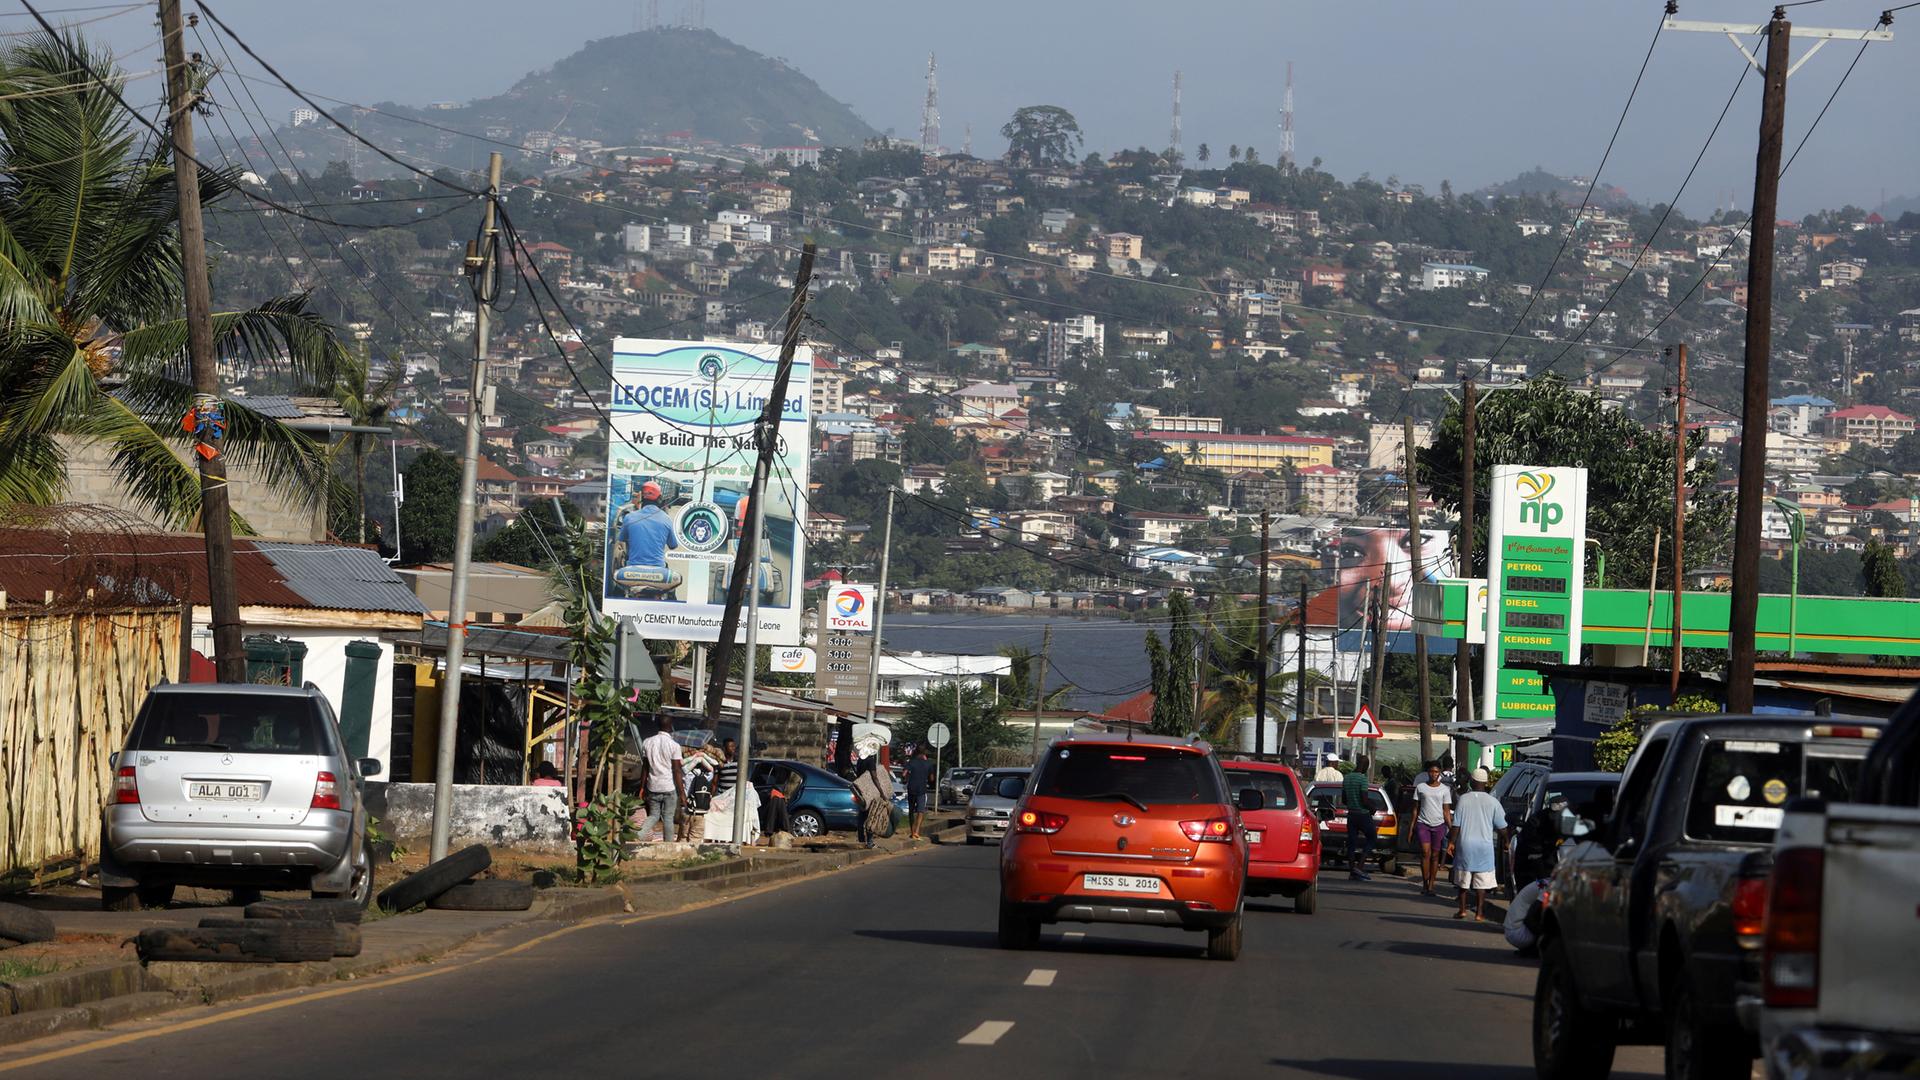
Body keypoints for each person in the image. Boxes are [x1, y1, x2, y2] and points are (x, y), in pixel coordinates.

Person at [1452, 767, 1510, 921]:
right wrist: (1507, 842)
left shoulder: (1463, 799)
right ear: (1485, 782)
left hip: (1466, 845)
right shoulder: (1493, 802)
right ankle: (1479, 913)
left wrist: (1451, 842)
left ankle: (1462, 910)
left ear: (1472, 781)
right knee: (1481, 884)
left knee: (1463, 881)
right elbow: (1503, 827)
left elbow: (1456, 825)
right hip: (1485, 847)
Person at [613, 480, 681, 598]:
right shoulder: (666, 519)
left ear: (642, 499)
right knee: (672, 595)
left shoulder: (629, 517)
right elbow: (673, 545)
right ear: (659, 499)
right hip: (659, 572)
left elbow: (622, 539)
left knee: (617, 592)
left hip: (632, 571)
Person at [636, 715, 685, 842]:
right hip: (669, 787)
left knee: (653, 815)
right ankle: (668, 845)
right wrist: (682, 793)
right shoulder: (674, 745)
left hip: (652, 786)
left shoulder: (647, 742)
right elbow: (677, 770)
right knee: (668, 818)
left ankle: (638, 836)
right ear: (670, 726)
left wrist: (642, 787)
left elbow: (645, 768)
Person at [1412, 760, 1454, 896]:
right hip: (1423, 823)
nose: (1434, 774)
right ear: (1427, 772)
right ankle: (1424, 883)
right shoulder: (1421, 787)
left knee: (1435, 855)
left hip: (1439, 825)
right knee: (1425, 853)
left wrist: (1451, 828)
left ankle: (1431, 885)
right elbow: (1415, 809)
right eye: (1431, 771)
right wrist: (1412, 826)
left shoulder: (1445, 790)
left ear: (1439, 773)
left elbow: (1446, 811)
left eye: (1436, 772)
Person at [1342, 754, 1376, 880]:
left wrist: (1352, 802)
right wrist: (1373, 808)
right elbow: (1364, 799)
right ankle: (1360, 866)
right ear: (1366, 766)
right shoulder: (1362, 779)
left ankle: (1352, 870)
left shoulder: (1347, 778)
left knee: (1352, 842)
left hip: (1351, 814)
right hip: (1362, 814)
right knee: (1372, 837)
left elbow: (1344, 799)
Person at [903, 744, 934, 839]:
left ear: (916, 752)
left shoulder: (911, 762)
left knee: (911, 811)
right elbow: (932, 778)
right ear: (924, 753)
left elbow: (904, 774)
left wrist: (907, 778)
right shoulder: (928, 764)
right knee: (921, 811)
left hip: (911, 788)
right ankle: (917, 831)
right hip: (922, 789)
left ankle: (912, 832)